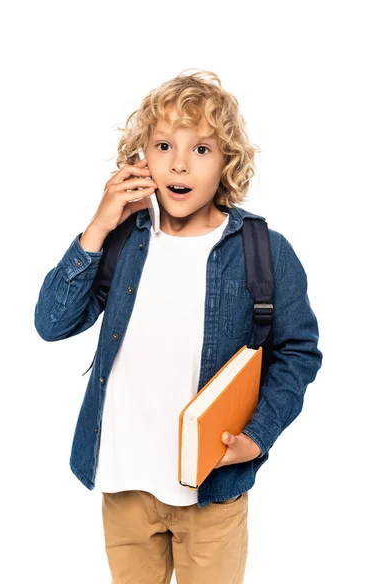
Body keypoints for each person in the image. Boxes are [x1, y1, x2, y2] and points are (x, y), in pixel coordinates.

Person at [34, 68, 323, 584]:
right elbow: (51, 324)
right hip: (124, 485)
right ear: (140, 156)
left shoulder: (266, 251)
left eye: (202, 149)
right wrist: (98, 226)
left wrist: (257, 437)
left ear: (227, 162)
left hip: (211, 491)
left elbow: (297, 354)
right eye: (164, 145)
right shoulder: (122, 242)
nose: (180, 163)